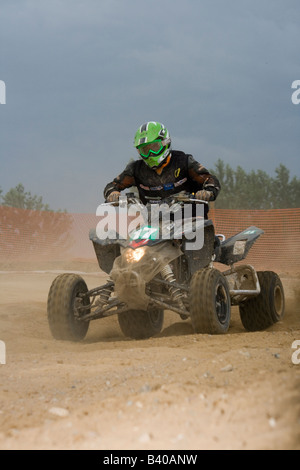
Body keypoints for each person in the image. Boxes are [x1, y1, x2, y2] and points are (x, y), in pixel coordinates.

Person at [104, 121, 220, 216]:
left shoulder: (184, 161)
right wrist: (113, 193)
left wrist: (207, 192)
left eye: (154, 147)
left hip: (191, 220)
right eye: (145, 150)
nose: (150, 153)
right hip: (154, 225)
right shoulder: (136, 169)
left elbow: (209, 179)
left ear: (166, 143)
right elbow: (112, 185)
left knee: (195, 241)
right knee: (129, 241)